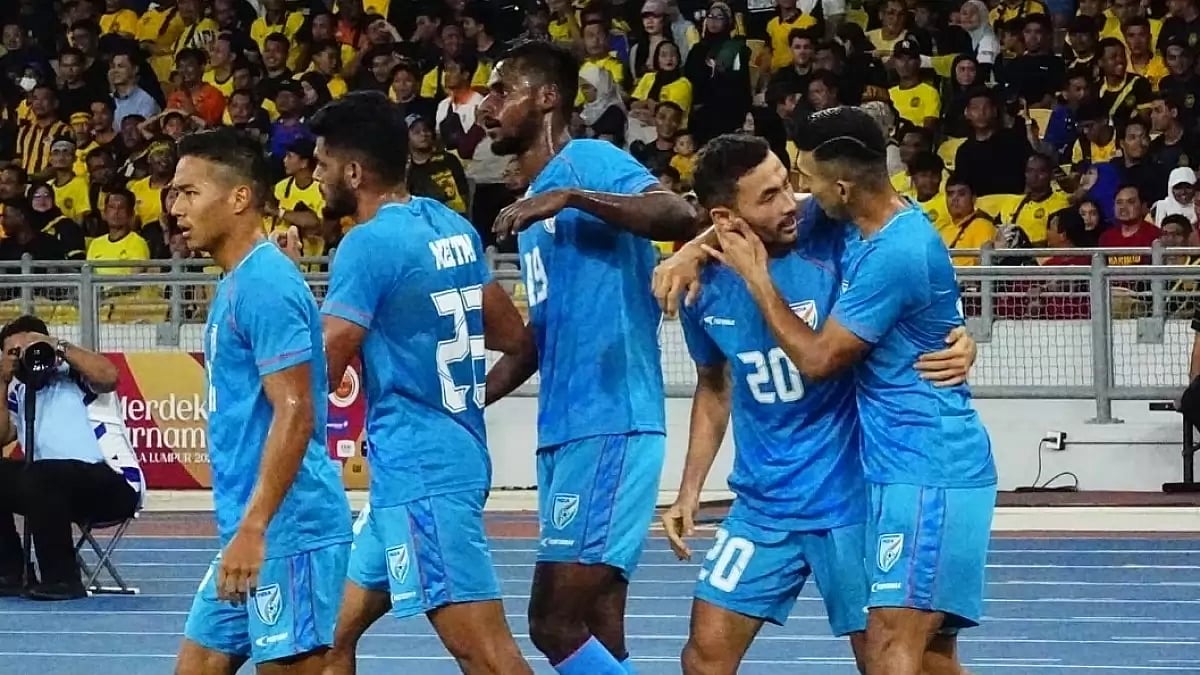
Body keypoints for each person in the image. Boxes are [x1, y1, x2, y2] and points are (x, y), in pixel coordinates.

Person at [659, 134, 979, 675]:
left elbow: (903, 241)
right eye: (767, 197)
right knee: (704, 657)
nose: (789, 203)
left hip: (853, 500)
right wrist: (688, 491)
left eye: (787, 184)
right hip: (763, 504)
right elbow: (714, 385)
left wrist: (954, 333)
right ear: (726, 216)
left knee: (905, 663)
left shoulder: (837, 240)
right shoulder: (702, 287)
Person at [476, 40, 697, 675]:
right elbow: (537, 340)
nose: (487, 106)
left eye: (501, 91)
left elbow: (677, 214)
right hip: (567, 428)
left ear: (548, 98)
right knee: (599, 626)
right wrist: (467, 401)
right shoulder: (535, 201)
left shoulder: (588, 162)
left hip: (610, 421)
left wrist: (573, 198)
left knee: (552, 621)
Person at [306, 91, 533, 675]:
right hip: (439, 459)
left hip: (420, 474)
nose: (315, 175)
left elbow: (323, 365)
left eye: (323, 163)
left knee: (487, 657)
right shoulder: (447, 224)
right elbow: (514, 336)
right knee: (328, 638)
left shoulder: (366, 244)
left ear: (353, 173)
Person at [170, 128, 353, 675]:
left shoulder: (263, 284)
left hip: (286, 531)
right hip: (251, 527)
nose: (175, 208)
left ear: (239, 198)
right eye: (174, 194)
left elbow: (295, 411)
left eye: (189, 192)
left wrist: (255, 528)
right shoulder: (242, 280)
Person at [0, 314, 135, 601]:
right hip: (47, 491)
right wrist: (1, 381)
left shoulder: (77, 375)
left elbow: (110, 376)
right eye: (13, 353)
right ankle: (10, 572)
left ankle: (62, 579)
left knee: (42, 474)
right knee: (34, 474)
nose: (23, 357)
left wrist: (57, 346)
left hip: (112, 483)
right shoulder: (18, 393)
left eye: (28, 349)